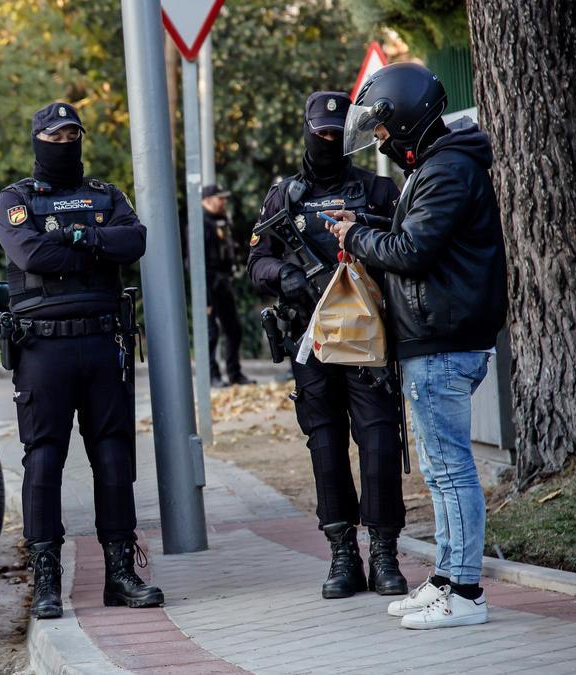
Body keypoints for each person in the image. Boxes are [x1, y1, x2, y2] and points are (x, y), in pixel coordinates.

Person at [326, 62, 508, 629]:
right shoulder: (439, 165)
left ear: (402, 118)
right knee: (439, 468)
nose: (378, 139)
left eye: (381, 128)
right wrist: (369, 221)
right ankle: (449, 579)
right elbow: (417, 233)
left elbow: (411, 250)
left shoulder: (448, 169)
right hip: (438, 339)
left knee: (450, 470)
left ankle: (467, 592)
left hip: (443, 341)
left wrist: (355, 234)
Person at [0, 101, 163, 619]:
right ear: (38, 140)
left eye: (73, 136)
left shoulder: (106, 195)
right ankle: (46, 578)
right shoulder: (16, 199)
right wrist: (95, 246)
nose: (65, 145)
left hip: (102, 343)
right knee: (43, 460)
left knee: (114, 459)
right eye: (56, 137)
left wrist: (78, 236)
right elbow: (31, 256)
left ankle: (120, 574)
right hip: (44, 348)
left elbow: (134, 240)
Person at [248, 91, 408, 600]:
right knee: (325, 444)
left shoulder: (379, 191)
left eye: (337, 136)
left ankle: (384, 553)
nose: (328, 142)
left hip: (367, 339)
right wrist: (286, 275)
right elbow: (256, 264)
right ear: (306, 131)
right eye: (321, 134)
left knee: (381, 442)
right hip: (311, 340)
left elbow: (406, 251)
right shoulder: (284, 199)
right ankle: (343, 555)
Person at [201, 184, 252, 387]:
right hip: (207, 285)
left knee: (234, 329)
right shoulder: (200, 223)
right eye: (220, 198)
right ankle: (212, 376)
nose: (224, 202)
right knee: (211, 333)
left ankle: (234, 374)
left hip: (223, 283)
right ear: (207, 200)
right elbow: (195, 262)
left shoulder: (222, 219)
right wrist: (205, 297)